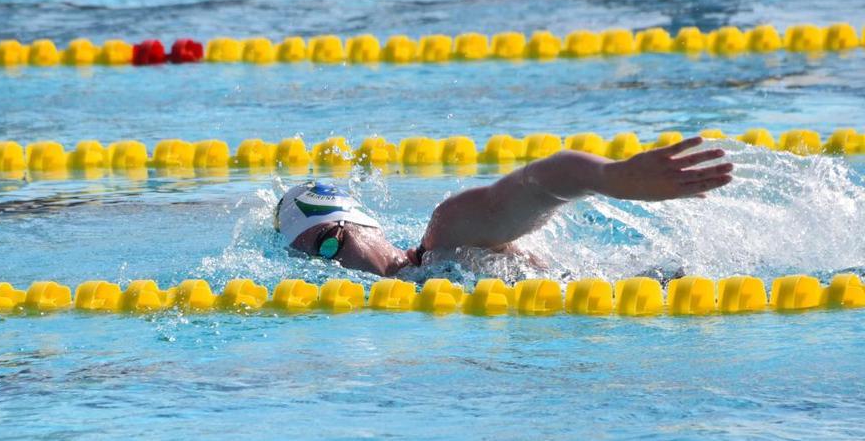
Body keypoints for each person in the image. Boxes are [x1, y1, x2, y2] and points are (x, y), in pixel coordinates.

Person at [274, 136, 732, 277]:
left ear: (366, 226)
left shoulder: (446, 238)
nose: (335, 271)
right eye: (313, 263)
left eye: (331, 246)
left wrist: (613, 178)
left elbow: (546, 178)